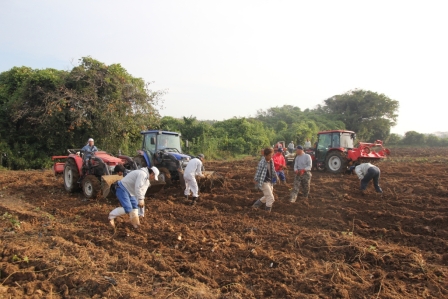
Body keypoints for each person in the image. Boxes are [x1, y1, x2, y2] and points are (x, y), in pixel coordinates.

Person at [252, 148, 277, 212]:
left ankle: (255, 205)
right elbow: (258, 172)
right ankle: (267, 212)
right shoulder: (262, 162)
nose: (271, 156)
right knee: (271, 198)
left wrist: (276, 176)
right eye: (270, 155)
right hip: (263, 182)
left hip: (270, 181)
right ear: (265, 155)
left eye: (272, 155)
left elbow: (273, 170)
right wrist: (255, 179)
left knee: (267, 196)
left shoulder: (271, 161)